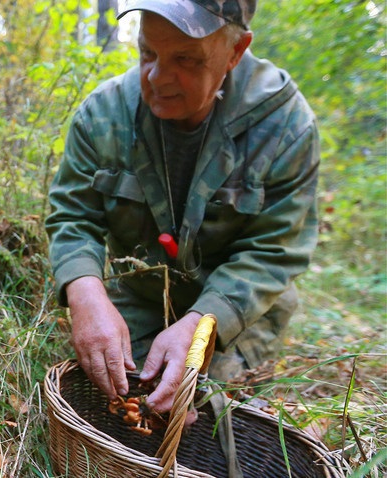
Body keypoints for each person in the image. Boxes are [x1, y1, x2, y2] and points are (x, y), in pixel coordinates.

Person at [46, 0, 319, 417]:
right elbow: (72, 215)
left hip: (237, 311)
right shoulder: (104, 115)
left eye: (185, 59)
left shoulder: (284, 126)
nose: (157, 77)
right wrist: (85, 293)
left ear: (236, 51)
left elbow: (273, 251)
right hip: (141, 294)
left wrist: (205, 321)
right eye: (147, 53)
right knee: (124, 405)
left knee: (210, 413)